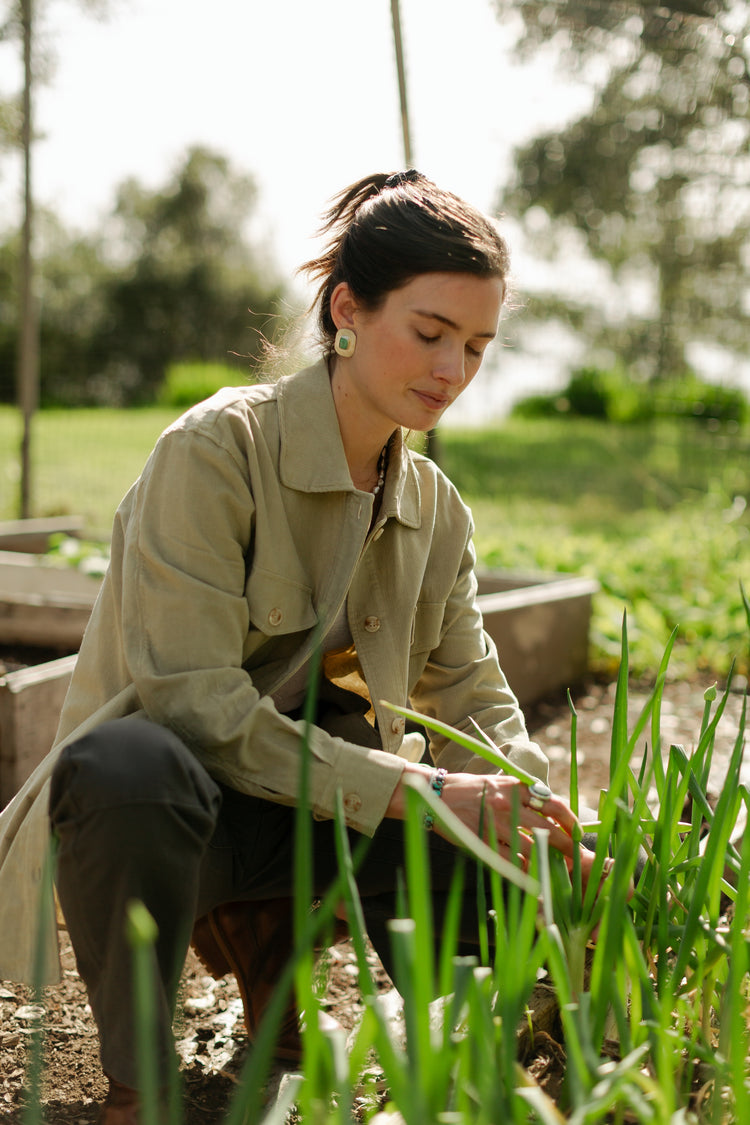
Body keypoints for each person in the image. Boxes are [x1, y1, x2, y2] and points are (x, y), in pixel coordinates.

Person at [0, 170, 599, 1124]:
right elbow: (193, 702)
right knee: (124, 762)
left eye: (478, 347)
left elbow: (473, 692)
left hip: (323, 811)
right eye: (430, 332)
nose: (453, 370)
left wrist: (534, 805)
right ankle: (139, 1080)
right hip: (176, 819)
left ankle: (279, 950)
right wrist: (428, 791)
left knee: (508, 856)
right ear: (347, 309)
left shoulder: (436, 509)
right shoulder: (214, 453)